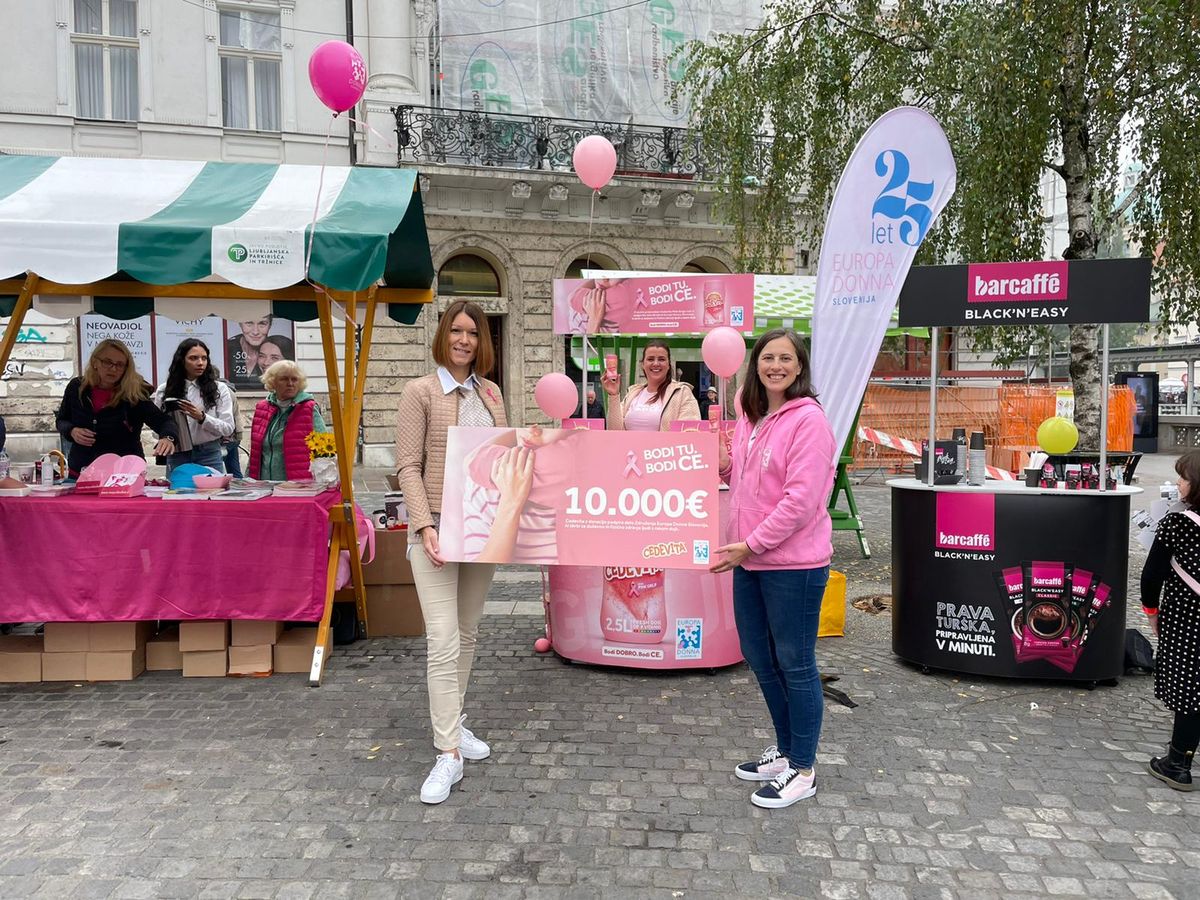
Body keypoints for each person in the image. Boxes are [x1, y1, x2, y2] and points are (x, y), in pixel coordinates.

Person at [710, 328, 836, 809]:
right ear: (755, 365)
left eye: (786, 358)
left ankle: (803, 768)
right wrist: (724, 463)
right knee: (759, 657)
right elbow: (743, 479)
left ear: (800, 367)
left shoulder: (809, 422)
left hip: (793, 566)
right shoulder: (751, 414)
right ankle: (786, 752)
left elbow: (801, 501)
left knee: (796, 664)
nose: (776, 366)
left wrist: (750, 544)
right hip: (749, 559)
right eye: (768, 358)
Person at [395, 299, 509, 805]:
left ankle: (455, 723)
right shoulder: (419, 391)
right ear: (443, 336)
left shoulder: (491, 393)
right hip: (438, 530)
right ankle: (447, 752)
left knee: (467, 634)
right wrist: (424, 526)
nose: (464, 340)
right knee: (442, 640)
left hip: (481, 531)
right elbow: (407, 467)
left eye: (473, 333)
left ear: (483, 343)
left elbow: (502, 457)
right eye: (456, 331)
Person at [1140, 449, 1200, 791]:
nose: (1179, 483)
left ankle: (1178, 763)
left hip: (1187, 618)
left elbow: (1152, 576)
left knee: (1191, 689)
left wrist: (1151, 612)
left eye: (1184, 477)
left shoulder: (1178, 523)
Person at [55, 340, 178, 478]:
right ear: (95, 362)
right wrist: (72, 431)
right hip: (82, 471)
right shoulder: (76, 387)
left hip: (125, 474)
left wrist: (168, 438)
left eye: (120, 365)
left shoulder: (134, 393)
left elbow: (164, 421)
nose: (113, 369)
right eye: (107, 362)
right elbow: (61, 420)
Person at [154, 339, 235, 474]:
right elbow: (156, 426)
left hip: (209, 452)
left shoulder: (219, 389)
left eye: (204, 358)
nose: (200, 363)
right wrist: (167, 437)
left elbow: (228, 428)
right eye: (193, 358)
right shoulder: (165, 390)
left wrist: (202, 418)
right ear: (182, 360)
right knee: (178, 493)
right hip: (177, 452)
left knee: (213, 492)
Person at [248, 359, 328, 481]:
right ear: (273, 382)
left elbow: (324, 448)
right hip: (263, 486)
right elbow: (255, 451)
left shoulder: (308, 408)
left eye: (294, 379)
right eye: (284, 379)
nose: (290, 383)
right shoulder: (262, 408)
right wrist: (248, 479)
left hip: (296, 486)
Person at [601, 339, 700, 431]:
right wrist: (613, 395)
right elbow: (614, 432)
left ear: (669, 365)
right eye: (650, 359)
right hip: (629, 450)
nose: (656, 363)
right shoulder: (633, 393)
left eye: (661, 359)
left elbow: (690, 435)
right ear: (642, 364)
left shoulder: (682, 393)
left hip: (663, 450)